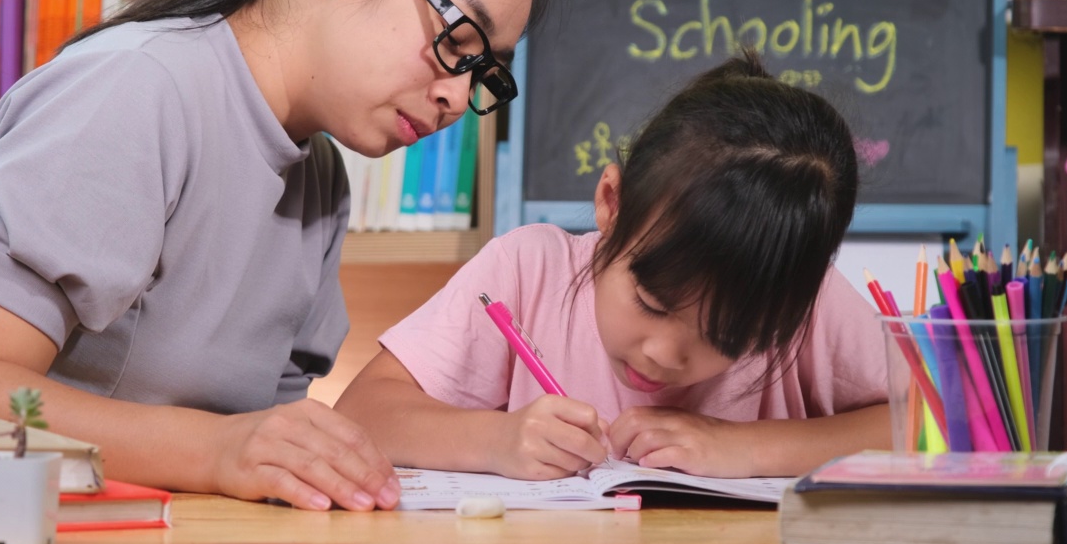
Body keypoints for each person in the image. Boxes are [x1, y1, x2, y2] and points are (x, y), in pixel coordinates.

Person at [0, 0, 548, 512]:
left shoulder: (318, 174)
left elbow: (267, 435)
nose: (459, 99)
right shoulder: (134, 91)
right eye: (457, 40)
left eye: (485, 73)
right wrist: (217, 450)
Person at [334, 50, 891, 481]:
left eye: (728, 334)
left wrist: (743, 446)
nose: (663, 353)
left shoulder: (802, 299)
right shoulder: (527, 271)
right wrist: (497, 440)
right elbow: (361, 413)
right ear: (611, 202)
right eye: (651, 302)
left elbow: (939, 422)